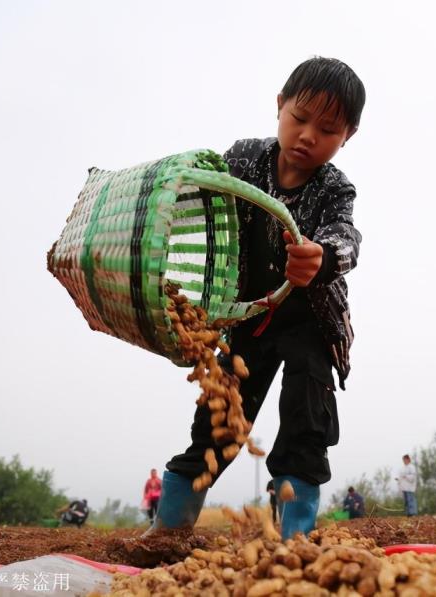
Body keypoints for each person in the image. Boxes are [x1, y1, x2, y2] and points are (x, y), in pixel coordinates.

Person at [148, 56, 366, 541]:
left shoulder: (334, 188)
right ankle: (168, 530)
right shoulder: (245, 159)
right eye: (300, 118)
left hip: (310, 322)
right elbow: (205, 198)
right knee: (217, 426)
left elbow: (347, 237)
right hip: (247, 318)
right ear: (279, 106)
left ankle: (294, 538)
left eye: (328, 129)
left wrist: (322, 256)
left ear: (347, 135)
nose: (309, 135)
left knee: (306, 426)